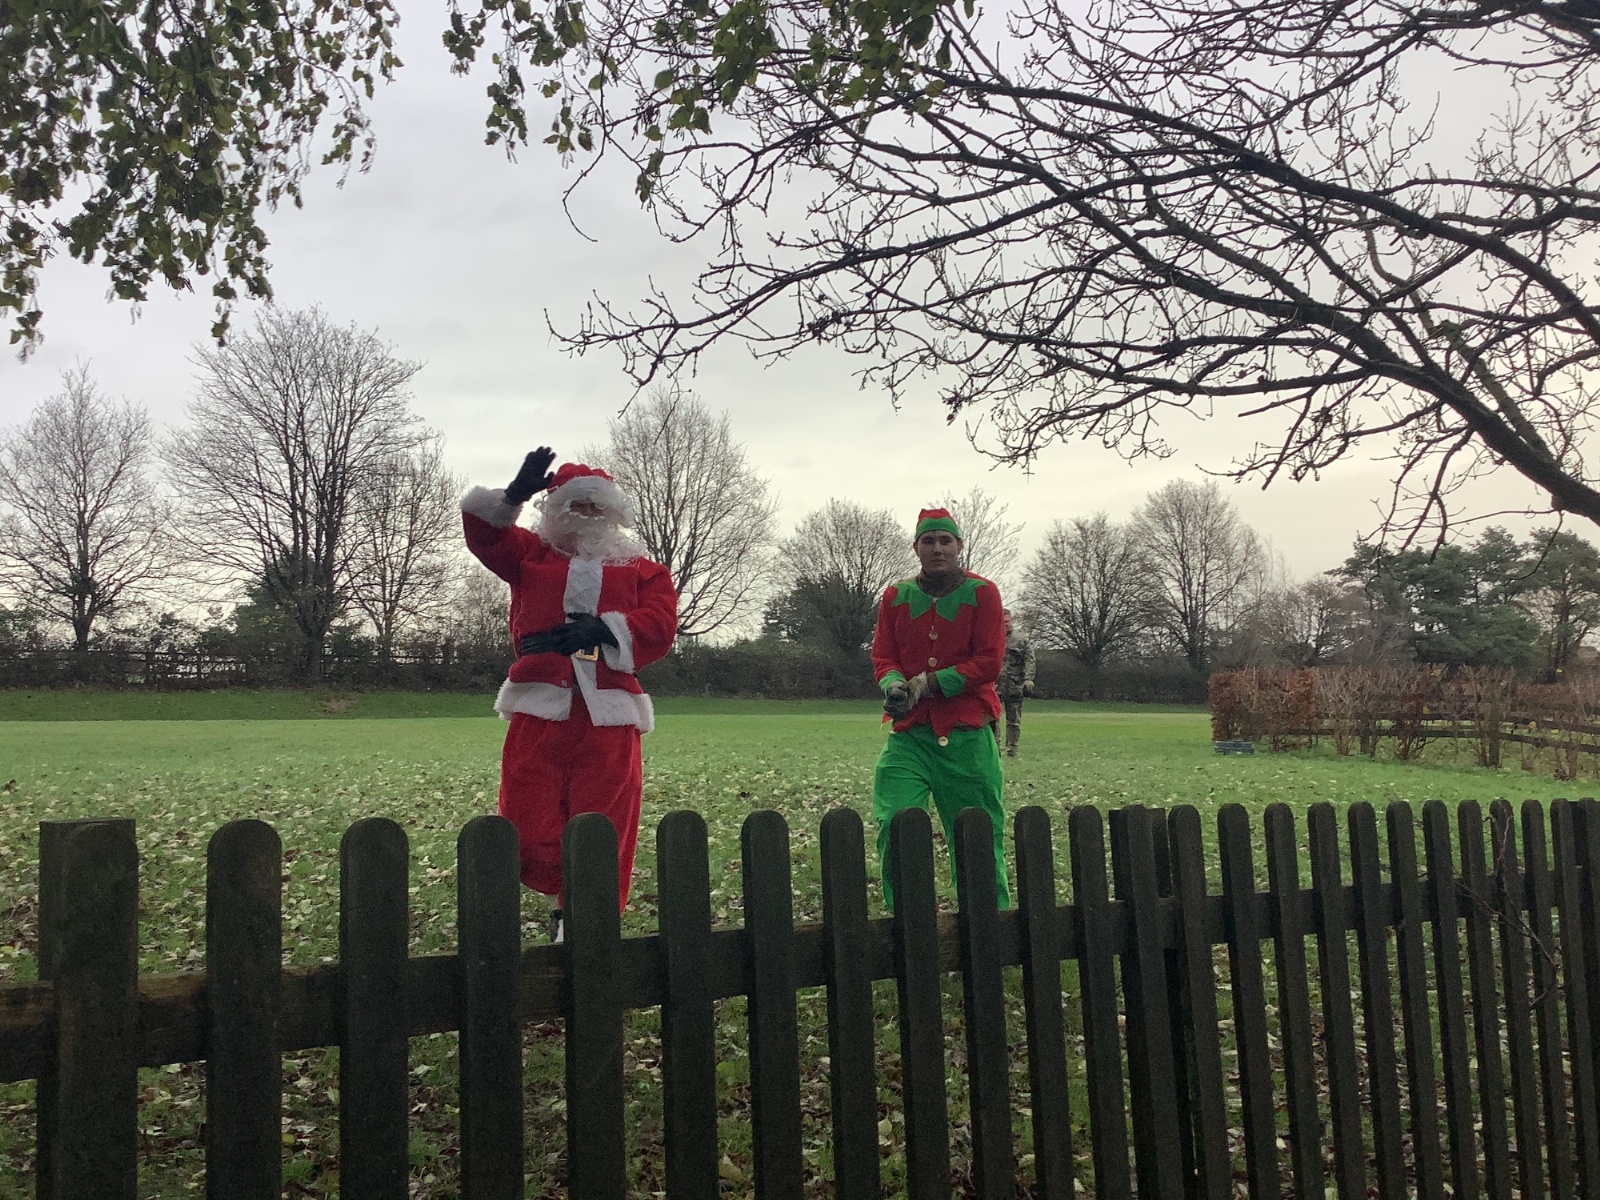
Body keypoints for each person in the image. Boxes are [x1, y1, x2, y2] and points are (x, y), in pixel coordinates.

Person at [461, 448, 678, 941]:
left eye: (595, 506)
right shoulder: (530, 556)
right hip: (539, 708)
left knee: (605, 820)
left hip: (610, 715)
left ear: (612, 511)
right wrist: (513, 496)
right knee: (526, 818)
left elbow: (661, 624)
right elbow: (486, 537)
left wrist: (602, 629)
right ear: (556, 510)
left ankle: (585, 918)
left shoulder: (643, 570)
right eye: (575, 505)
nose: (586, 515)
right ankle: (559, 895)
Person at [870, 507, 1010, 908]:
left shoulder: (982, 593)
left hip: (967, 733)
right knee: (896, 822)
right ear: (915, 547)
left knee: (977, 836)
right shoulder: (896, 597)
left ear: (959, 546)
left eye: (945, 540)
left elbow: (989, 661)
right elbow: (884, 655)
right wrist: (894, 684)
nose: (937, 548)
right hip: (910, 734)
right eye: (928, 541)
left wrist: (928, 683)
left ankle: (987, 926)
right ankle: (911, 923)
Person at [997, 608, 1036, 757]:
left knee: (1014, 721)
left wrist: (1029, 679)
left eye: (1007, 621)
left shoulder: (1021, 639)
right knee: (992, 719)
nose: (1005, 624)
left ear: (1011, 620)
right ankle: (994, 749)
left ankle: (1012, 750)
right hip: (995, 685)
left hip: (1014, 685)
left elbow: (1030, 660)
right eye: (1002, 622)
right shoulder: (992, 638)